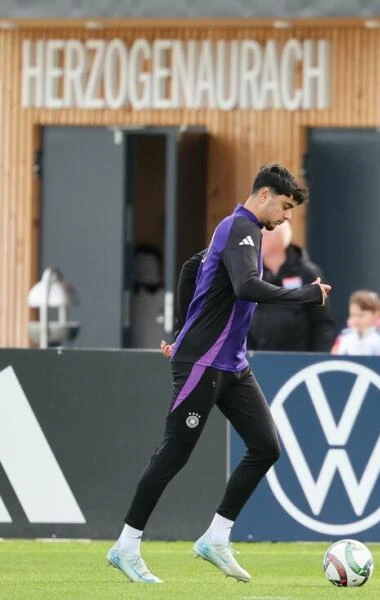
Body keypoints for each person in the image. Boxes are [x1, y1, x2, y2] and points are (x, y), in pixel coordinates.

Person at [108, 163, 331, 584]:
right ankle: (126, 546)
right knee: (174, 453)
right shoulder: (239, 228)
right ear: (264, 195)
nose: (286, 217)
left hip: (233, 365)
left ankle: (216, 537)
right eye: (284, 207)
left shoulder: (240, 232)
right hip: (203, 361)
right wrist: (304, 294)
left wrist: (179, 329)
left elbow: (192, 268)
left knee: (266, 447)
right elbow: (246, 287)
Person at [248, 222, 336, 352]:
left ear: (277, 240)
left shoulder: (307, 273)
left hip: (297, 362)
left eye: (260, 236)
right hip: (256, 360)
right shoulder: (252, 273)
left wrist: (316, 359)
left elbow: (322, 322)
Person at [332, 290, 380, 356]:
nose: (356, 320)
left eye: (361, 315)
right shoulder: (344, 337)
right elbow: (334, 359)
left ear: (376, 314)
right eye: (352, 315)